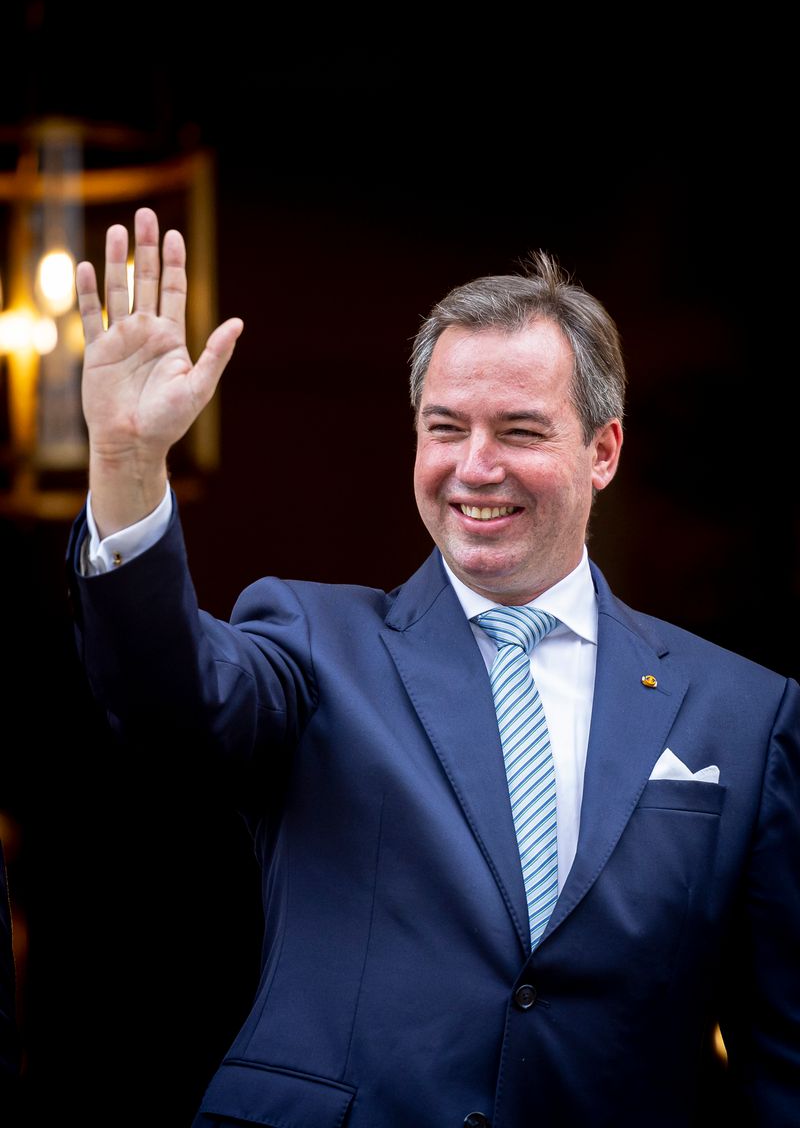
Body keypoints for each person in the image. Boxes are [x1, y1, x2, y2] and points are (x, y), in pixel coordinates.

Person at [67, 207, 800, 1128]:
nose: (474, 467)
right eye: (445, 427)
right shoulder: (311, 640)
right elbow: (163, 700)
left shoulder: (745, 709)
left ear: (602, 451)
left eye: (521, 432)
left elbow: (783, 1049)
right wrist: (127, 465)